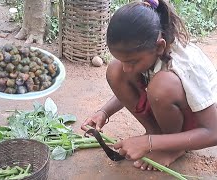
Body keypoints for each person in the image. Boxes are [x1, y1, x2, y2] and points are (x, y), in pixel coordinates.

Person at [82, 0, 217, 171]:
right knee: (115, 70)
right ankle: (157, 135)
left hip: (198, 124)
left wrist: (148, 143)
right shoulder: (147, 52)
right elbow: (130, 86)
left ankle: (174, 147)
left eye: (132, 62)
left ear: (160, 46)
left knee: (161, 87)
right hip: (173, 110)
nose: (127, 68)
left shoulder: (186, 64)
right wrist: (104, 112)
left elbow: (213, 132)